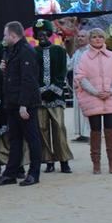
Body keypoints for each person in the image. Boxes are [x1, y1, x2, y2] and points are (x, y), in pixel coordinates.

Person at [0, 22, 42, 187]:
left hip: (25, 104)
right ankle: (10, 173)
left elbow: (28, 80)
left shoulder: (26, 51)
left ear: (13, 35)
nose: (4, 38)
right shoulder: (11, 51)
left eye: (6, 35)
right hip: (12, 102)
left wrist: (23, 105)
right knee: (15, 139)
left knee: (32, 138)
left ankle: (34, 173)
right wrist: (3, 69)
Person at [74, 28, 112, 174]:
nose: (97, 39)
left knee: (110, 130)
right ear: (90, 40)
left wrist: (111, 90)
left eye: (100, 37)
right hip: (92, 99)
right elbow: (80, 77)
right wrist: (95, 92)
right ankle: (96, 164)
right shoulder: (84, 57)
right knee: (95, 131)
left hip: (110, 98)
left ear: (104, 39)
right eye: (94, 37)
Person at [33, 19, 74, 174]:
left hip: (56, 96)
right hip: (39, 97)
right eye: (39, 34)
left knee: (59, 127)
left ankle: (64, 160)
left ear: (49, 34)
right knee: (42, 129)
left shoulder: (59, 51)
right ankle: (48, 161)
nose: (42, 36)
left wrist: (54, 88)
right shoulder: (33, 52)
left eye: (44, 33)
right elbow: (33, 74)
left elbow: (62, 72)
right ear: (36, 36)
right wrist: (41, 90)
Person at [69, 30, 91, 142]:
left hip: (88, 88)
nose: (80, 38)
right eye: (79, 36)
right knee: (77, 110)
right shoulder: (77, 52)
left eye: (83, 36)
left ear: (88, 38)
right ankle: (81, 134)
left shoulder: (91, 52)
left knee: (87, 111)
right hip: (77, 88)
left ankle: (89, 134)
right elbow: (69, 66)